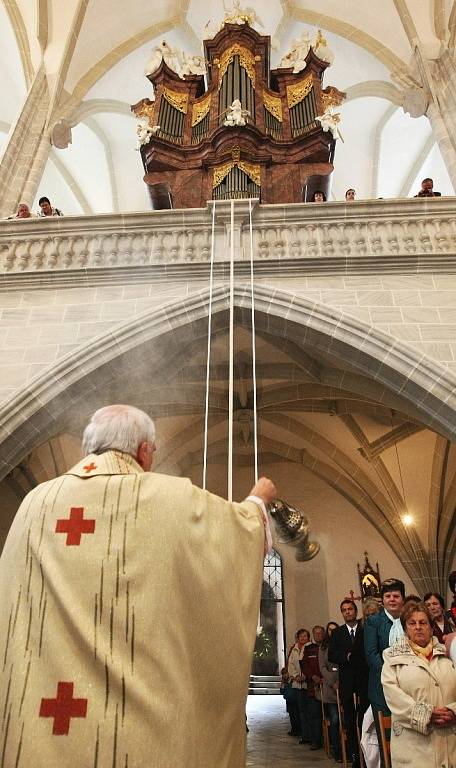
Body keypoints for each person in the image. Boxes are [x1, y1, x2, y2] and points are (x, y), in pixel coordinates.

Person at [0, 404, 276, 768]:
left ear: (88, 448)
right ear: (145, 451)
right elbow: (237, 534)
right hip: (139, 735)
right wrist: (258, 500)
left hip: (42, 717)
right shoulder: (169, 497)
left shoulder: (36, 502)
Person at [381, 602, 456, 767]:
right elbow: (394, 697)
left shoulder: (448, 653)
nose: (418, 627)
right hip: (414, 747)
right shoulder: (392, 658)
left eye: (423, 622)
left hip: (450, 742)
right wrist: (427, 714)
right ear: (406, 628)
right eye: (412, 623)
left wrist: (453, 711)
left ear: (431, 626)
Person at [364, 578, 405, 767]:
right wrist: (391, 676)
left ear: (402, 599)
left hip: (408, 684)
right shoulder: (374, 621)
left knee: (408, 734)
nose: (392, 600)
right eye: (388, 596)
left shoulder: (409, 619)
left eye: (396, 596)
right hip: (381, 686)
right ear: (383, 600)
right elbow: (372, 654)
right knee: (386, 735)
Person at [329, 599, 369, 768]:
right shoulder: (337, 633)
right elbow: (332, 655)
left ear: (355, 610)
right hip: (347, 682)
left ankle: (367, 755)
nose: (347, 612)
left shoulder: (365, 628)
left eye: (350, 609)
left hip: (364, 680)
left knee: (365, 720)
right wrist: (346, 657)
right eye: (344, 610)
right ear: (342, 613)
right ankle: (355, 757)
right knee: (350, 722)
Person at [319, 622, 341, 762]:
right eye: (330, 630)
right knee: (334, 720)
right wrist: (333, 682)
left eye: (335, 630)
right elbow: (322, 667)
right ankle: (337, 750)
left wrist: (341, 681)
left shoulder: (341, 643)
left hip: (343, 685)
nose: (332, 632)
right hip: (330, 687)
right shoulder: (323, 647)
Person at [302, 625, 325, 750]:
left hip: (327, 687)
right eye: (316, 633)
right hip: (313, 687)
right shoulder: (309, 649)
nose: (318, 636)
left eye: (320, 633)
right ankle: (316, 740)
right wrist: (313, 677)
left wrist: (325, 678)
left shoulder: (328, 647)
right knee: (314, 715)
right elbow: (304, 666)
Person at [288, 628, 311, 743]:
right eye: (300, 636)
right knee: (301, 711)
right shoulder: (294, 649)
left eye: (305, 636)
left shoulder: (311, 648)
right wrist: (296, 675)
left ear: (308, 637)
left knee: (310, 711)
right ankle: (305, 735)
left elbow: (312, 665)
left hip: (309, 684)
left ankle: (312, 735)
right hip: (298, 684)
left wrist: (305, 676)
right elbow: (291, 664)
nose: (302, 638)